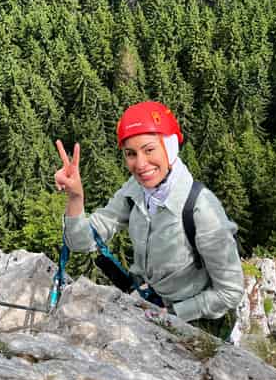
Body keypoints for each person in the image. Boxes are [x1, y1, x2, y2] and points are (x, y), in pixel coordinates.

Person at [54, 101, 244, 338]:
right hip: (148, 309)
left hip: (198, 326)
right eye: (131, 154)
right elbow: (81, 243)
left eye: (149, 149)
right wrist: (75, 197)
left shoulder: (201, 209)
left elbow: (230, 291)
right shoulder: (136, 191)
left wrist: (172, 313)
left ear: (170, 147)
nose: (141, 164)